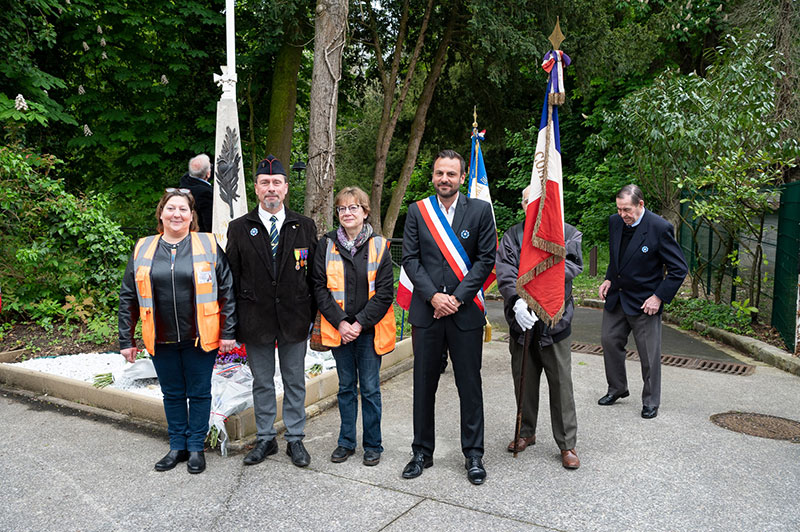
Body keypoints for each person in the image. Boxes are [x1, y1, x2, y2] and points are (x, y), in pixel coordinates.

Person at [118, 188, 237, 474]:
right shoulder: (143, 248)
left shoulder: (207, 245)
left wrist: (228, 332)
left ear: (191, 216)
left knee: (199, 392)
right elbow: (128, 296)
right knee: (171, 394)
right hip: (161, 338)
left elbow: (227, 291)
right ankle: (177, 446)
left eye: (183, 209)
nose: (177, 214)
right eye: (171, 208)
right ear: (161, 213)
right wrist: (126, 339)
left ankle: (196, 446)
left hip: (201, 337)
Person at [400, 149, 496, 485]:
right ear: (433, 176)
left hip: (464, 313)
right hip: (427, 312)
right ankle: (421, 452)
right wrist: (434, 296)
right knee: (423, 384)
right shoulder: (417, 211)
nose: (445, 179)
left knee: (469, 385)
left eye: (451, 174)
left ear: (462, 177)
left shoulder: (481, 211)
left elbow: (486, 260)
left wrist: (455, 298)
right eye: (440, 173)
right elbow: (410, 259)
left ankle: (473, 454)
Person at [226, 155, 318, 467]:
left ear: (286, 188)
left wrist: (314, 317)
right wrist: (232, 325)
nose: (271, 188)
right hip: (256, 319)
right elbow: (231, 279)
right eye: (265, 183)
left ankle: (295, 439)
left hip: (295, 318)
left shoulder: (304, 226)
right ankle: (265, 438)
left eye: (276, 183)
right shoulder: (239, 228)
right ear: (256, 188)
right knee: (262, 382)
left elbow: (314, 276)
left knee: (295, 381)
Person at [496, 186, 582, 469]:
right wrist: (518, 302)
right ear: (523, 205)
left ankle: (567, 444)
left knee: (561, 385)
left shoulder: (569, 233)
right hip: (522, 322)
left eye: (539, 202)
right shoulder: (512, 236)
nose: (532, 207)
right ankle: (525, 432)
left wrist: (540, 280)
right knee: (524, 380)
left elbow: (572, 266)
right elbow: (505, 271)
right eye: (527, 202)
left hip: (555, 321)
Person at [312, 186, 395, 466]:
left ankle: (373, 444)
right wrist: (342, 323)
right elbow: (319, 288)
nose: (347, 213)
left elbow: (385, 293)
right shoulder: (325, 245)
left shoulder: (380, 245)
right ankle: (346, 442)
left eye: (353, 207)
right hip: (340, 331)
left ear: (365, 212)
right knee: (346, 387)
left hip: (369, 332)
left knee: (370, 388)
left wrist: (358, 323)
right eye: (342, 209)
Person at [598, 184, 688, 419]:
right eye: (619, 209)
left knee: (648, 354)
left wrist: (658, 296)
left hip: (645, 302)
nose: (622, 215)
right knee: (608, 341)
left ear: (641, 204)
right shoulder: (615, 222)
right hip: (617, 296)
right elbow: (618, 256)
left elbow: (679, 269)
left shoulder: (659, 228)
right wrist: (608, 279)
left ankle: (650, 401)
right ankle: (617, 388)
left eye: (626, 209)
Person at [179, 154, 214, 233]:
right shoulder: (206, 193)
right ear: (208, 174)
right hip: (199, 235)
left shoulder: (184, 183)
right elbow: (208, 222)